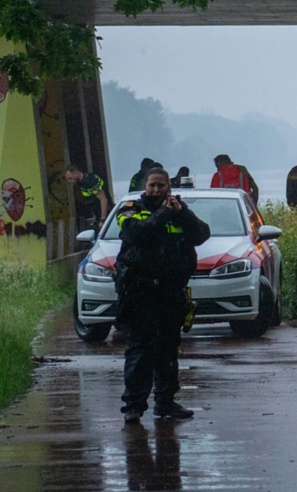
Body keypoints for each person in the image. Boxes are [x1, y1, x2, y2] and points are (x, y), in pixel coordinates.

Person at [115, 167, 210, 423]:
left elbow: (202, 234)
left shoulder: (179, 212)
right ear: (144, 187)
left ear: (169, 187)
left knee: (167, 350)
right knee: (139, 350)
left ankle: (166, 403)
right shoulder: (130, 210)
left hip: (170, 292)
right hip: (139, 292)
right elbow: (139, 233)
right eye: (152, 185)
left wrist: (183, 213)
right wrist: (165, 212)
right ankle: (133, 407)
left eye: (161, 186)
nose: (156, 190)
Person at [64, 164, 113, 230]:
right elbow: (94, 201)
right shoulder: (83, 184)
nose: (70, 181)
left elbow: (103, 199)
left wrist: (103, 220)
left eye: (70, 178)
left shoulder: (90, 180)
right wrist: (95, 216)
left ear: (76, 173)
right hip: (98, 214)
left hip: (107, 214)